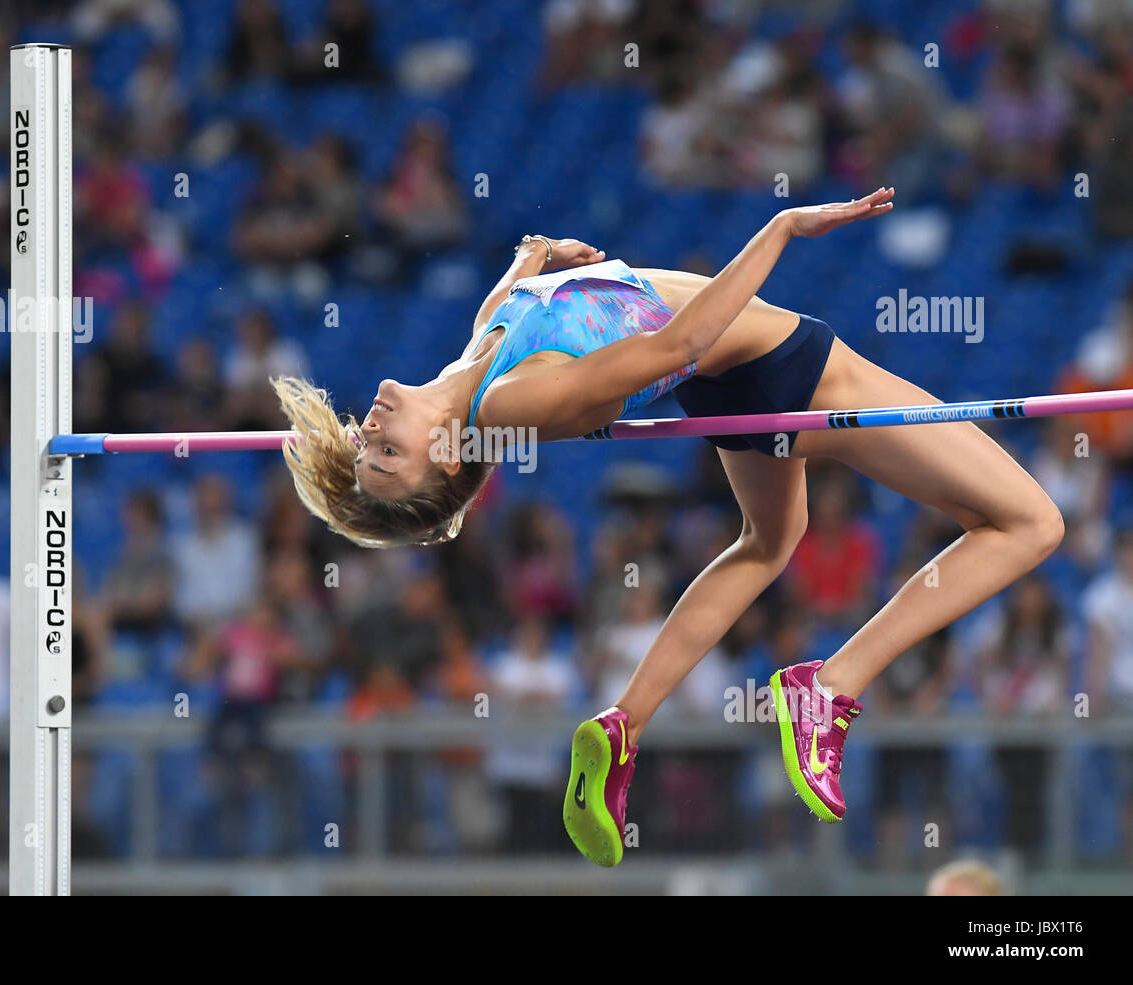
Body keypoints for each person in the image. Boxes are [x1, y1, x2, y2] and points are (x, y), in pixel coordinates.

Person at [271, 188, 1064, 866]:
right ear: (444, 462)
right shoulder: (507, 405)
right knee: (1031, 522)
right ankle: (832, 687)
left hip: (733, 382)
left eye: (366, 446)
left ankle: (623, 725)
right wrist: (780, 230)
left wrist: (531, 259)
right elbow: (682, 342)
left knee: (768, 540)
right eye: (387, 454)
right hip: (789, 366)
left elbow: (500, 311)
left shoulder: (462, 372)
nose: (371, 428)